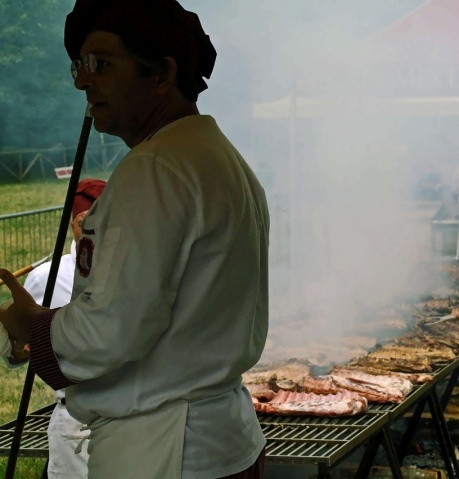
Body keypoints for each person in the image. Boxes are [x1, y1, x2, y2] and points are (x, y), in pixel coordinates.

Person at [0, 1, 270, 478]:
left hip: (162, 450)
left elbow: (109, 332)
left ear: (162, 73)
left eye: (102, 64)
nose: (83, 81)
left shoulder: (156, 168)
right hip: (216, 438)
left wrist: (32, 325)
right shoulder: (215, 157)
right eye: (79, 66)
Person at [21, 178, 106, 479]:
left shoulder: (138, 271)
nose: (95, 232)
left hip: (133, 414)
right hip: (76, 419)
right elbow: (17, 350)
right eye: (85, 222)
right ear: (72, 224)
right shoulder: (47, 277)